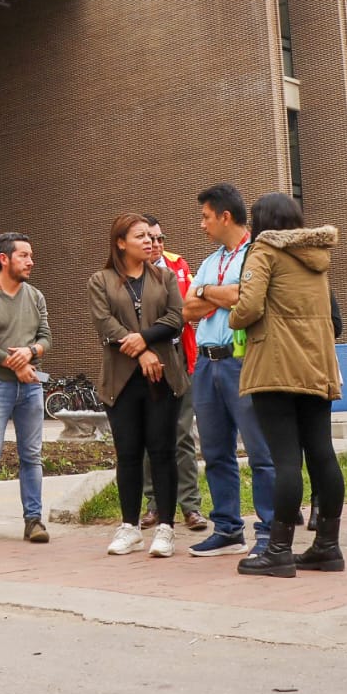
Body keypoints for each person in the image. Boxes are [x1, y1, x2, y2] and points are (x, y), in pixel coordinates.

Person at [229, 193, 345, 577]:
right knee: (322, 454)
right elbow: (335, 319)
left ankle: (278, 550)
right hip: (317, 366)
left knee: (285, 460)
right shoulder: (317, 258)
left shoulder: (262, 251)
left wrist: (230, 315)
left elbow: (248, 308)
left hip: (276, 367)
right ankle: (327, 547)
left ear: (261, 222)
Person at [183, 183, 275, 557]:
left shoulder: (256, 253)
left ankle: (270, 530)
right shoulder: (210, 260)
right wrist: (212, 294)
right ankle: (227, 529)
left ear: (225, 216)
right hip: (206, 363)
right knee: (216, 452)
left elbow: (245, 297)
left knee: (260, 451)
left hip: (242, 361)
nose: (201, 225)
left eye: (205, 217)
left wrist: (207, 293)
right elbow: (186, 308)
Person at [88, 215, 186, 558]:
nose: (149, 241)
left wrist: (143, 340)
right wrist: (141, 352)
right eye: (140, 236)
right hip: (121, 378)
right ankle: (129, 526)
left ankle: (166, 528)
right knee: (128, 453)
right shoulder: (100, 280)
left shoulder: (165, 276)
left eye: (150, 236)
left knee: (162, 451)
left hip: (163, 376)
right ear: (120, 242)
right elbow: (105, 322)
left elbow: (176, 317)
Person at [0, 232, 53, 545]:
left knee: (32, 455)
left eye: (30, 255)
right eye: (24, 256)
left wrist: (31, 353)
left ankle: (34, 522)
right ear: (4, 259)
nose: (31, 261)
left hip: (31, 386)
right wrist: (16, 363)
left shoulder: (36, 296)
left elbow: (46, 338)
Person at [140, 215, 206, 533]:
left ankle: (190, 507)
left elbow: (193, 305)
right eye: (149, 238)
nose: (155, 244)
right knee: (152, 437)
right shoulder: (131, 274)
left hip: (182, 361)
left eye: (160, 238)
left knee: (183, 436)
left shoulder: (179, 266)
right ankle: (153, 505)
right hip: (148, 363)